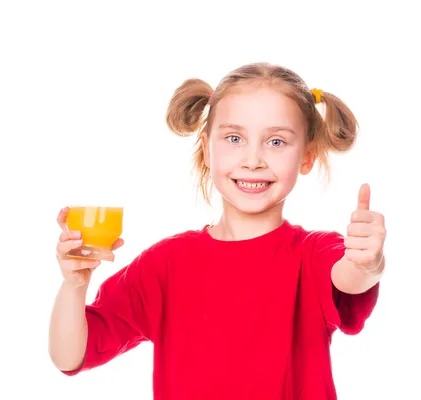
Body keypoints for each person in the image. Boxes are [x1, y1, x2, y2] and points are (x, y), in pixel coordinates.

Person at [48, 62, 386, 399]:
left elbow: (349, 277)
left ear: (307, 157)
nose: (253, 160)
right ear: (207, 148)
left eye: (277, 142)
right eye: (235, 138)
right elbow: (70, 355)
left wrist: (366, 263)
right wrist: (74, 285)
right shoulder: (166, 264)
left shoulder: (314, 254)